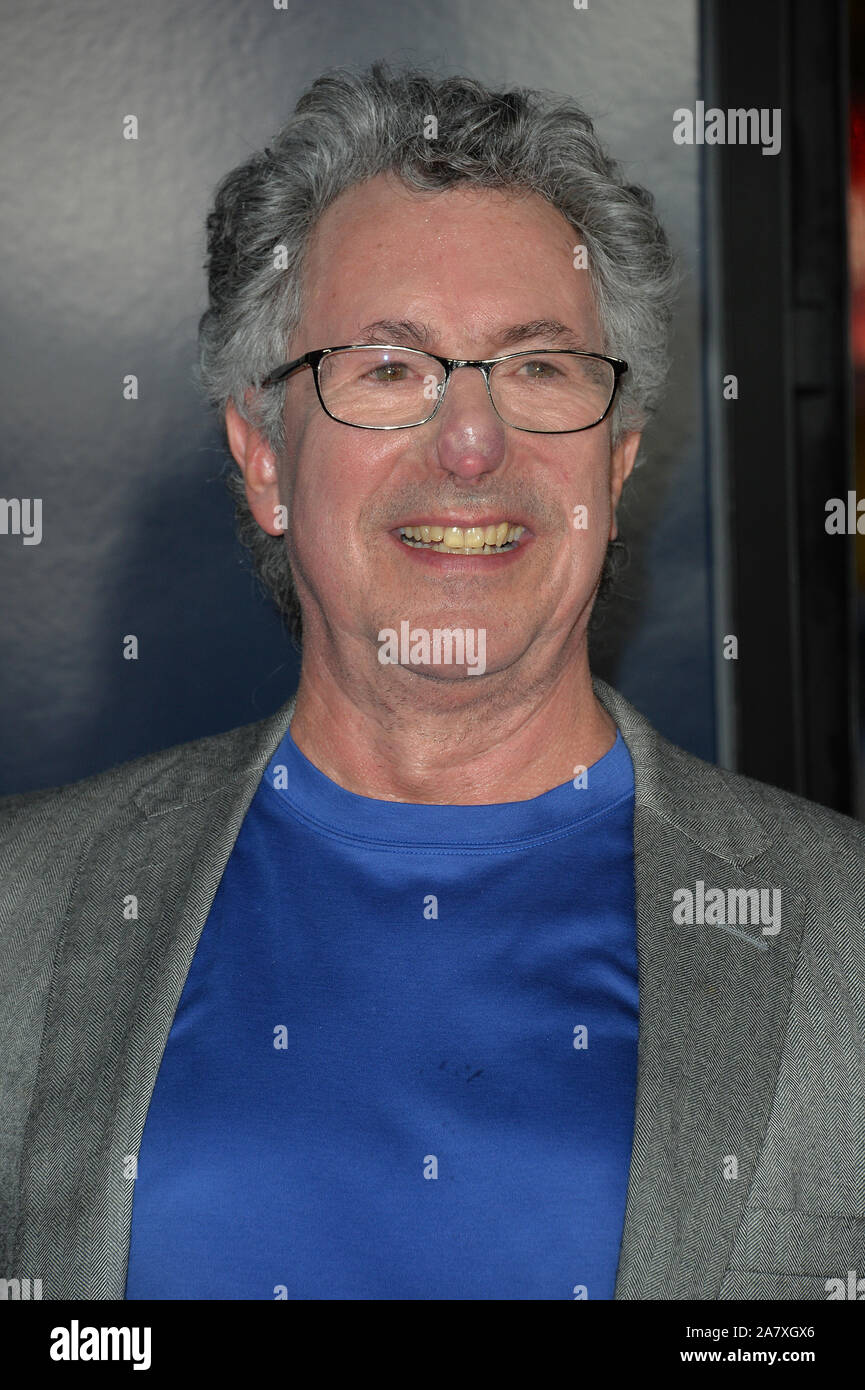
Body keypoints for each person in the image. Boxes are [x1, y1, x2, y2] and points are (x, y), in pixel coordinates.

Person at [2, 63, 864, 1303]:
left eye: (539, 369)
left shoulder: (837, 933)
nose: (471, 444)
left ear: (617, 470)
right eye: (388, 368)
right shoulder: (21, 915)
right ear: (262, 459)